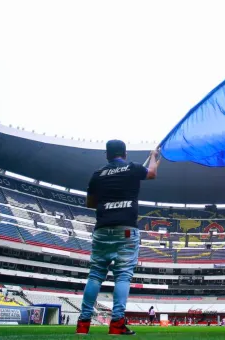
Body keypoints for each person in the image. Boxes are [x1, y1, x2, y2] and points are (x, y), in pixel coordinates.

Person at [76, 140, 160, 335]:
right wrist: (154, 157)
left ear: (107, 155)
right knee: (123, 276)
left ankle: (83, 324)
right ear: (125, 153)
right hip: (127, 229)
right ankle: (116, 324)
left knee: (95, 274)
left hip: (103, 229)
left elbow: (90, 203)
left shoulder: (97, 174)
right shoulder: (132, 168)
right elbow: (153, 173)